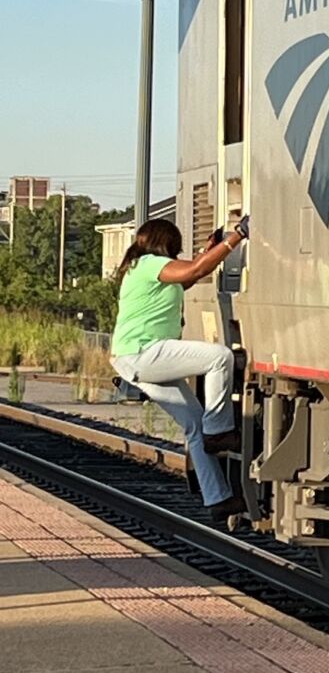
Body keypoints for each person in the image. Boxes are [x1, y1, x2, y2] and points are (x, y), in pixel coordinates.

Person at [110, 215, 249, 520]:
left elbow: (192, 274)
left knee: (193, 426)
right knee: (219, 357)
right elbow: (196, 269)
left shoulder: (144, 269)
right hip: (144, 352)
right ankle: (218, 429)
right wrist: (237, 236)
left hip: (135, 357)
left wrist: (210, 250)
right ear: (166, 242)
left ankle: (218, 499)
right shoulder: (148, 264)